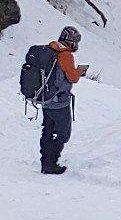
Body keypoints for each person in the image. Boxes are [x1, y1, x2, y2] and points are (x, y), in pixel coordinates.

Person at [40, 26, 88, 175]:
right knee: (62, 133)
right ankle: (51, 163)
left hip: (45, 98)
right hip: (59, 101)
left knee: (47, 130)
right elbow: (72, 78)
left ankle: (45, 161)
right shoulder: (65, 55)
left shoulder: (50, 49)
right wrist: (79, 72)